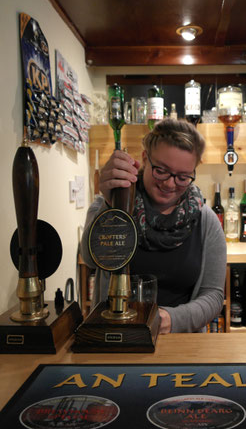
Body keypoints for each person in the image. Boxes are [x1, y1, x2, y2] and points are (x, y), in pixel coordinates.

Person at [81, 118, 227, 333]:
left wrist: (170, 319)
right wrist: (112, 206)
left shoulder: (206, 222)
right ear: (144, 159)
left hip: (180, 343)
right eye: (161, 170)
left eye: (183, 177)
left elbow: (213, 296)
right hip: (115, 337)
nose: (169, 183)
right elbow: (90, 259)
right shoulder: (113, 205)